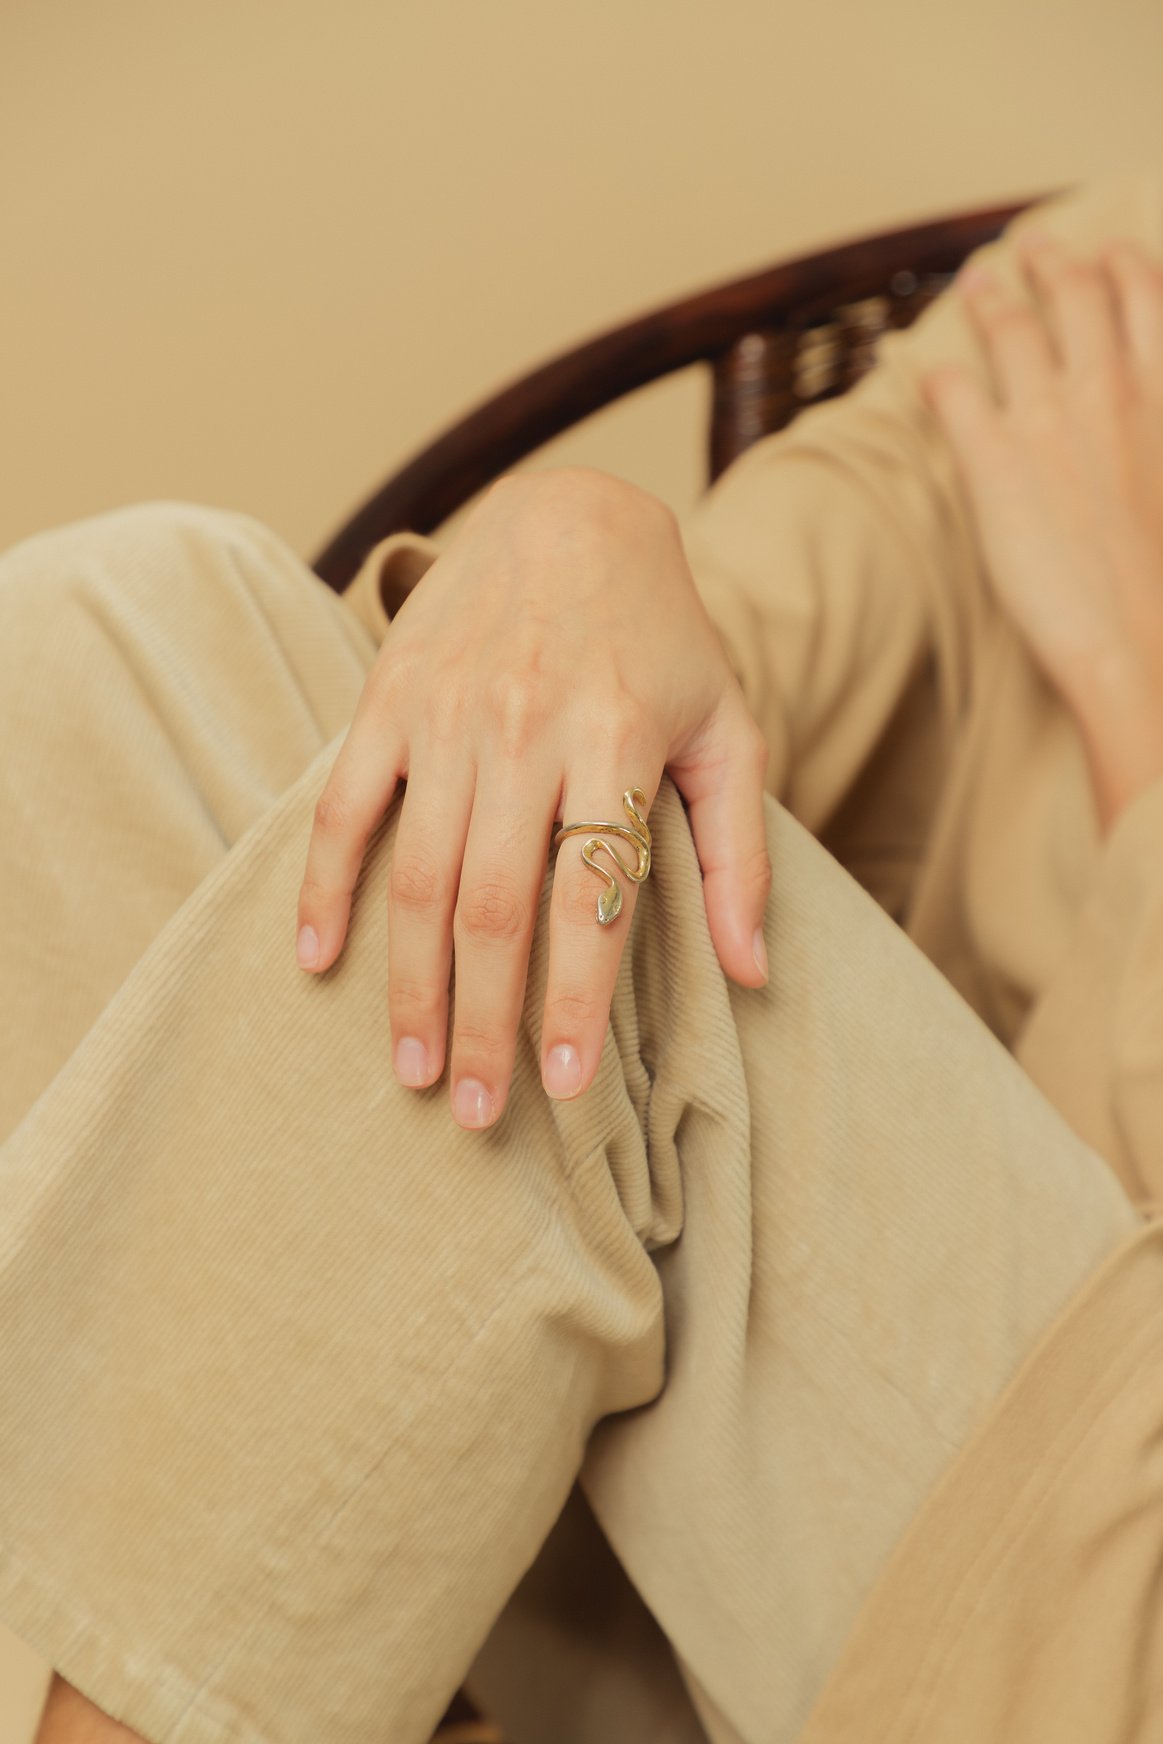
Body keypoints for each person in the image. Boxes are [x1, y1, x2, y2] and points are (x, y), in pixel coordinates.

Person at [5, 164, 1163, 1744]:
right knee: (104, 642)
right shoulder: (1116, 292)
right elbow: (728, 650)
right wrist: (581, 551)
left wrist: (1135, 718)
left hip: (1094, 1588)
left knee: (582, 927)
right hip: (733, 1523)